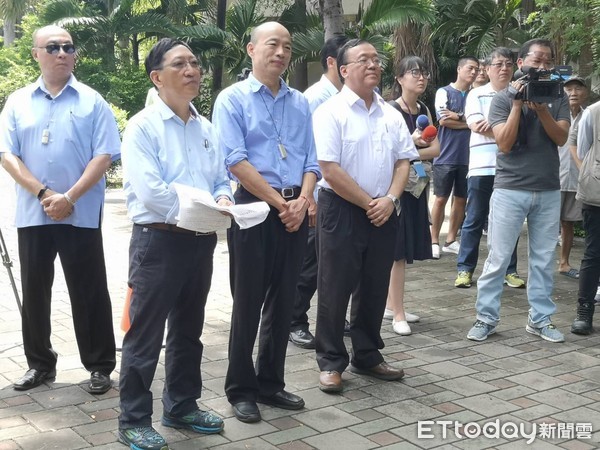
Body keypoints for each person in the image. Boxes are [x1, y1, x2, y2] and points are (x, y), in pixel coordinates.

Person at [118, 38, 231, 449]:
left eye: (195, 63)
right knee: (144, 335)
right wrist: (198, 213)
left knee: (188, 330)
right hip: (158, 243)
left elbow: (221, 178)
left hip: (199, 243)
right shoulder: (142, 126)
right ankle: (133, 419)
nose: (192, 70)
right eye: (180, 64)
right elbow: (151, 192)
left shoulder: (206, 128)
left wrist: (223, 199)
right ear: (157, 76)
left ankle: (182, 405)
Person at [0, 25, 118, 394]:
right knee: (36, 290)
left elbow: (105, 154)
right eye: (53, 47)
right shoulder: (17, 101)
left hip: (80, 211)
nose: (63, 53)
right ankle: (40, 365)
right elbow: (7, 154)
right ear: (36, 53)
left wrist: (69, 197)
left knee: (89, 289)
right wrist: (44, 194)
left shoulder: (91, 100)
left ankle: (99, 366)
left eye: (68, 46)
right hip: (34, 213)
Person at [213, 22, 320, 423]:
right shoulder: (232, 99)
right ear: (251, 49)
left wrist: (303, 200)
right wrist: (280, 203)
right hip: (254, 209)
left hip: (296, 208)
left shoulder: (299, 102)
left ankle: (270, 382)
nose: (281, 52)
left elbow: (311, 160)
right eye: (272, 44)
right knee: (248, 300)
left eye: (288, 47)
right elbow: (235, 161)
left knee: (283, 299)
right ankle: (240, 388)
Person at [313, 38, 417, 393]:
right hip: (341, 208)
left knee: (374, 284)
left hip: (385, 208)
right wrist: (368, 202)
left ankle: (368, 354)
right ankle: (330, 361)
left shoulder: (391, 113)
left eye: (376, 59)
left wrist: (389, 198)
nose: (373, 64)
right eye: (363, 60)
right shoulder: (331, 112)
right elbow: (329, 168)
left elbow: (404, 161)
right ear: (343, 70)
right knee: (335, 285)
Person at [467, 39, 570, 343]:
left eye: (548, 62)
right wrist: (516, 105)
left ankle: (540, 319)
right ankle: (485, 317)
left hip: (548, 189)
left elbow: (561, 137)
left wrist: (542, 112)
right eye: (536, 60)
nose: (542, 67)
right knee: (498, 257)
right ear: (521, 62)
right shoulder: (501, 98)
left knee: (542, 259)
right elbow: (505, 143)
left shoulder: (557, 95)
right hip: (511, 188)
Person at [289, 35, 348, 349]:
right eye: (351, 61)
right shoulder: (315, 98)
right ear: (333, 63)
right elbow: (304, 150)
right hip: (319, 192)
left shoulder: (352, 97)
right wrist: (307, 196)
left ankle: (337, 316)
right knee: (310, 262)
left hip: (346, 194)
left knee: (338, 261)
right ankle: (295, 320)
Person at [454, 48, 525, 290]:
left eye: (508, 64)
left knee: (509, 221)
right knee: (474, 218)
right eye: (498, 64)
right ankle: (465, 269)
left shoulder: (519, 95)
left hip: (510, 169)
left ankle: (510, 269)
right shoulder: (476, 94)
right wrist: (506, 130)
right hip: (481, 168)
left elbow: (519, 133)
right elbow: (475, 125)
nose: (504, 68)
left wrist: (496, 128)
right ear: (487, 68)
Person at [385, 56, 440, 335]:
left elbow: (435, 150)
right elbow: (388, 153)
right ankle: (397, 313)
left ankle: (390, 305)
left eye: (424, 72)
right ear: (399, 78)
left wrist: (409, 150)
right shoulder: (390, 110)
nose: (421, 77)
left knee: (405, 250)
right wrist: (412, 147)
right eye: (414, 72)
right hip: (397, 188)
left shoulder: (423, 109)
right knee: (397, 252)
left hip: (417, 185)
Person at [430, 57, 479, 258]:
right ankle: (433, 240)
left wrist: (458, 116)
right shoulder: (444, 92)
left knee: (461, 199)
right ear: (459, 69)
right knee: (440, 198)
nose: (474, 72)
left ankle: (450, 240)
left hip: (468, 156)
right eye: (470, 68)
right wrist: (469, 122)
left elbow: (482, 119)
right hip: (445, 155)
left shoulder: (476, 95)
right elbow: (443, 121)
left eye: (477, 69)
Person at [570, 97, 600, 335]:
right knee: (593, 252)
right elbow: (583, 148)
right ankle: (584, 310)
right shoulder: (593, 112)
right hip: (597, 192)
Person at [558, 76, 588, 280]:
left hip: (577, 177)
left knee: (568, 222)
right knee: (543, 223)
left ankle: (564, 263)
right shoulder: (555, 113)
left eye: (578, 89)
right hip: (552, 175)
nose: (573, 93)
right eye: (569, 89)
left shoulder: (590, 116)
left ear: (585, 93)